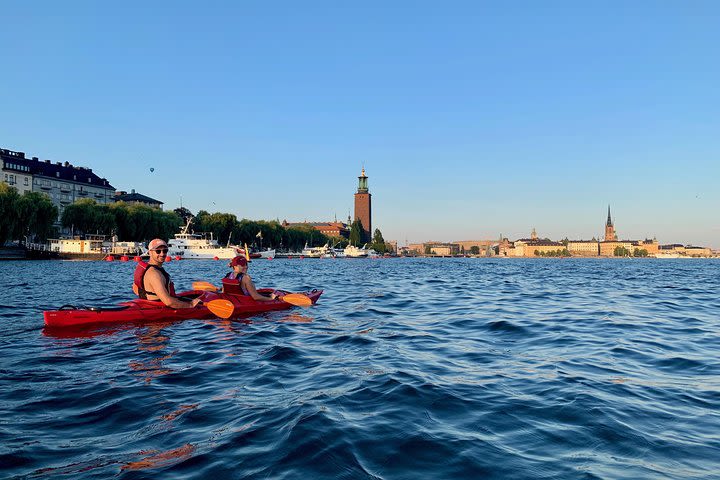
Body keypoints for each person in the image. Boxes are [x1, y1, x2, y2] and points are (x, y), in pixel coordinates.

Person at [134, 238, 202, 308]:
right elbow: (168, 302)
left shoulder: (149, 269)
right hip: (158, 309)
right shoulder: (154, 274)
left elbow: (135, 289)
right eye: (158, 251)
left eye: (165, 251)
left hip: (148, 305)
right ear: (150, 252)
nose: (162, 254)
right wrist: (191, 305)